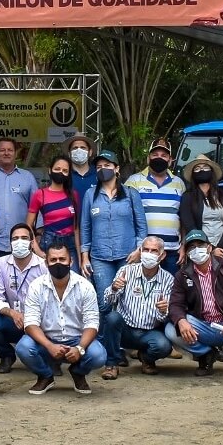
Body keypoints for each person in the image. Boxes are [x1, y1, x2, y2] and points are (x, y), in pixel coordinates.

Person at [79, 150, 146, 364]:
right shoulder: (91, 195)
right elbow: (85, 227)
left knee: (125, 303)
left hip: (128, 256)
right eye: (98, 167)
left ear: (117, 169)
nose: (102, 170)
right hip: (99, 257)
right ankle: (105, 350)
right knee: (104, 303)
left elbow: (141, 226)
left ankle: (121, 347)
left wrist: (139, 250)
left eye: (107, 165)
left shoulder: (131, 194)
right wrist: (84, 256)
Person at [165, 229, 223, 382]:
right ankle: (206, 354)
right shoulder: (182, 274)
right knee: (171, 329)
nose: (196, 250)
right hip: (203, 325)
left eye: (200, 245)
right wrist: (181, 321)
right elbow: (175, 304)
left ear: (209, 247)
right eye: (191, 247)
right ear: (187, 252)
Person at [16, 240, 106, 395]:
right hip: (46, 340)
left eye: (62, 259)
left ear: (70, 261)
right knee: (23, 347)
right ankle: (45, 376)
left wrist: (79, 348)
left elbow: (92, 323)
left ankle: (78, 372)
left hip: (76, 340)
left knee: (99, 355)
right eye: (53, 260)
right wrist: (49, 346)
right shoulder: (36, 286)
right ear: (46, 263)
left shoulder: (85, 286)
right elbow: (30, 323)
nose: (58, 263)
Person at [101, 235, 174, 380]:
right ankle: (111, 364)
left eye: (153, 251)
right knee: (112, 318)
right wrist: (114, 288)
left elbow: (163, 317)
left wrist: (163, 309)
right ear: (140, 251)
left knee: (164, 346)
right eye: (145, 249)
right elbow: (107, 301)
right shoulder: (126, 271)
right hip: (125, 330)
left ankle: (146, 358)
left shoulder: (168, 279)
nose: (148, 254)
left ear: (162, 255)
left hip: (149, 332)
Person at [0, 222, 47, 373]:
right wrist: (13, 313)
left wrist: (30, 317)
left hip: (38, 322)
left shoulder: (43, 266)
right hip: (13, 320)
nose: (19, 242)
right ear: (10, 243)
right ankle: (6, 356)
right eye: (15, 238)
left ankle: (48, 358)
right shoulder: (1, 264)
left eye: (24, 238)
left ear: (31, 243)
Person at [125, 137, 185, 274]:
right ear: (148, 158)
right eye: (155, 155)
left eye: (164, 155)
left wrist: (183, 246)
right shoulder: (133, 181)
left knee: (170, 290)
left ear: (170, 160)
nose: (159, 158)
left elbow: (183, 216)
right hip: (144, 250)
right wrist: (136, 248)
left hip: (171, 250)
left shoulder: (179, 183)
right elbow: (127, 216)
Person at [0, 136, 38, 261]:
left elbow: (37, 208)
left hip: (22, 243)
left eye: (10, 150)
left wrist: (38, 236)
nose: (6, 153)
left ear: (16, 153)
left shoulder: (28, 178)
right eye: (2, 150)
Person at [179, 154, 223, 261]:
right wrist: (209, 248)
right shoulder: (187, 196)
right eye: (197, 168)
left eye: (205, 167)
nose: (201, 170)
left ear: (212, 171)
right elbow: (189, 225)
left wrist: (221, 247)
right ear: (192, 174)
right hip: (199, 250)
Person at [26, 155, 82, 263]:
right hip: (48, 243)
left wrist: (79, 257)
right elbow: (28, 225)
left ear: (68, 174)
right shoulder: (40, 194)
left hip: (70, 244)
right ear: (50, 170)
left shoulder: (73, 195)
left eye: (65, 170)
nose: (61, 172)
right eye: (57, 169)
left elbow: (76, 228)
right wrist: (36, 249)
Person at [65, 134, 98, 205]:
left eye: (83, 148)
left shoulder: (99, 174)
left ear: (90, 152)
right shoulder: (64, 175)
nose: (79, 150)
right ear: (69, 153)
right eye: (75, 148)